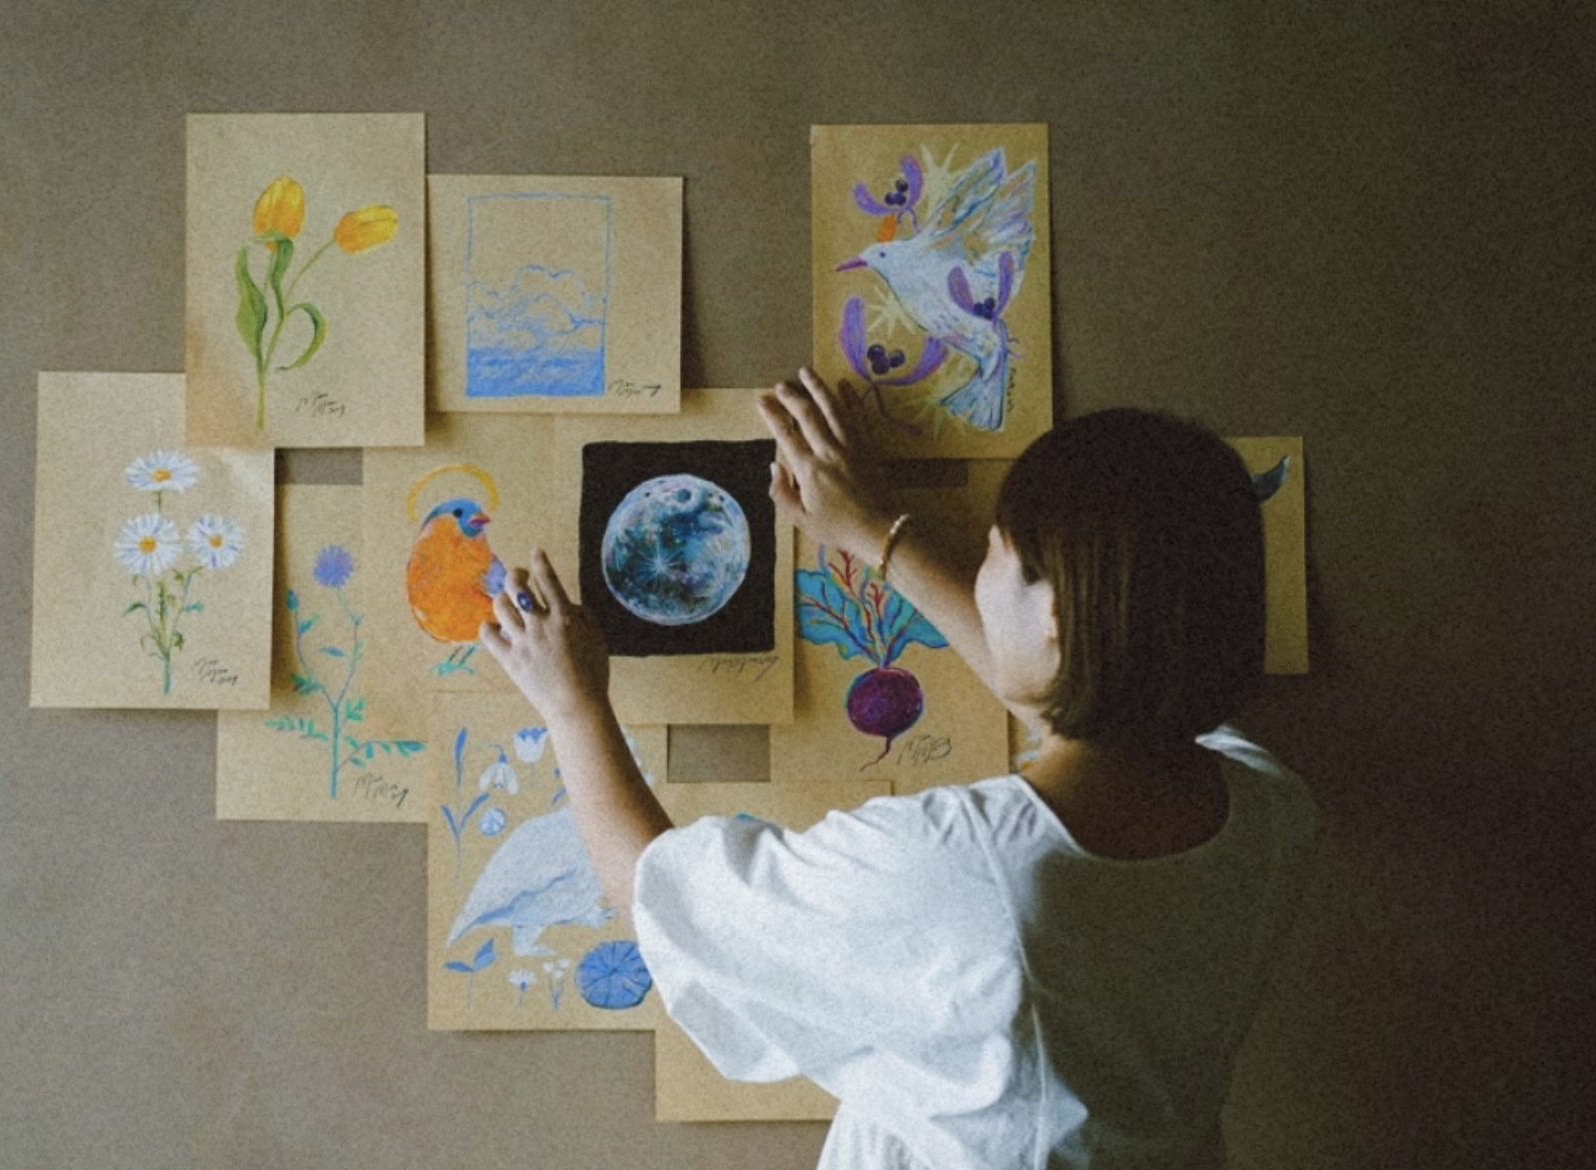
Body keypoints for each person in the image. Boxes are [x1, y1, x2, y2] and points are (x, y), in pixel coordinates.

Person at [478, 369, 1318, 1169]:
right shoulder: (1272, 814)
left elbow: (660, 895)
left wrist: (572, 706)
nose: (980, 571)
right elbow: (1089, 706)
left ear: (1056, 617)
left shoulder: (957, 870)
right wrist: (876, 532)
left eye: (993, 553)